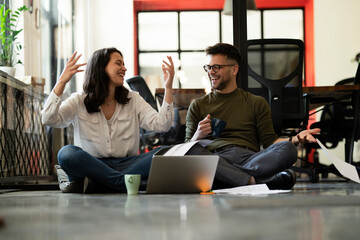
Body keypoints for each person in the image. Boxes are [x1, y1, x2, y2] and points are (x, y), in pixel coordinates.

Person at [185, 43, 320, 190]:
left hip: (250, 158)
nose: (211, 72)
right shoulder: (198, 105)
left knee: (288, 149)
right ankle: (252, 181)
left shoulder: (256, 102)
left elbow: (270, 141)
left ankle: (228, 179)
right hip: (216, 158)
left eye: (216, 67)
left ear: (234, 69)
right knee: (191, 151)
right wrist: (197, 136)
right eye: (208, 67)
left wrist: (296, 138)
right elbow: (185, 148)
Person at [42, 47, 175, 193]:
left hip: (127, 164)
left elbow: (162, 125)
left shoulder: (133, 99)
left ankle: (98, 184)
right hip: (91, 165)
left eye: (123, 64)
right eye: (118, 63)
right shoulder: (78, 100)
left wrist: (168, 87)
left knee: (166, 152)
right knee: (66, 153)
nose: (124, 68)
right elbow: (49, 119)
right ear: (101, 67)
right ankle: (123, 183)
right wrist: (62, 82)